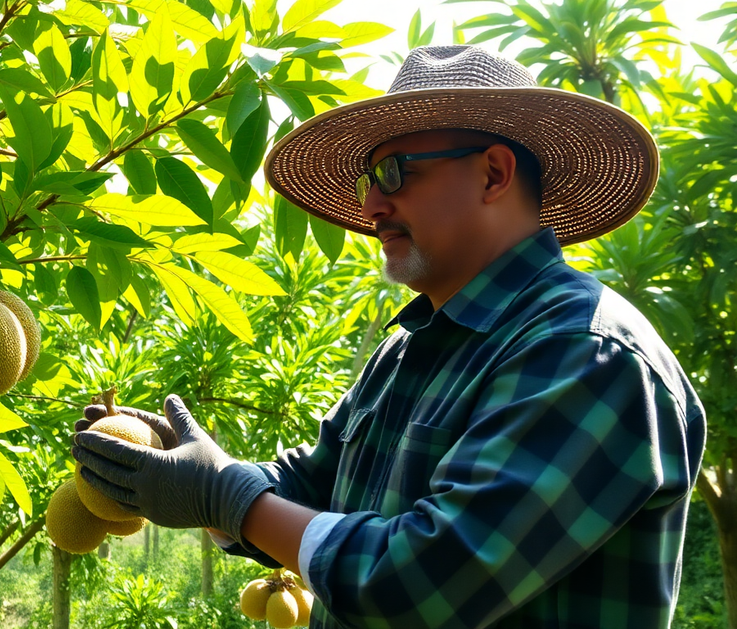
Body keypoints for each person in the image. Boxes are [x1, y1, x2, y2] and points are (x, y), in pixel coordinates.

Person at [71, 45, 706, 629]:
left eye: (395, 173)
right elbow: (313, 483)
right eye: (367, 180)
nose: (371, 206)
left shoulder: (588, 354)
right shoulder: (407, 349)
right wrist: (187, 467)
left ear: (493, 173)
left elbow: (424, 583)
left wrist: (225, 496)